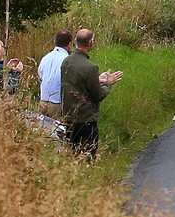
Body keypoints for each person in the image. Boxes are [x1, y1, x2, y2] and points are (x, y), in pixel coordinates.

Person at [61, 29, 123, 159]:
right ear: (90, 43)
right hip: (86, 119)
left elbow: (77, 83)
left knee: (72, 154)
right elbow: (98, 95)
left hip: (69, 117)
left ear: (75, 42)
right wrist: (108, 83)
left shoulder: (66, 62)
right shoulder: (90, 67)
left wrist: (96, 79)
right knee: (88, 155)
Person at [38, 29, 73, 120]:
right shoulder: (67, 60)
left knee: (43, 131)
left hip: (43, 101)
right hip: (57, 103)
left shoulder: (46, 57)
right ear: (69, 45)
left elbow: (41, 75)